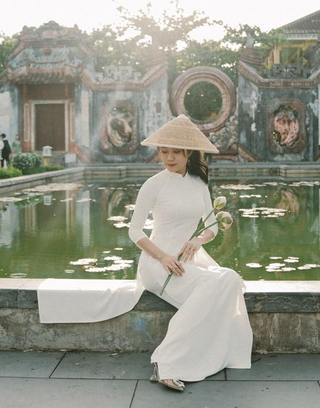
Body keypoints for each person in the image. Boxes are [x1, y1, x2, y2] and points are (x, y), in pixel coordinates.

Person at [37, 115, 252, 392]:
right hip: (156, 264)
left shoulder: (199, 184)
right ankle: (166, 363)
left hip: (187, 262)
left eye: (175, 152)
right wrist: (163, 257)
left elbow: (211, 226)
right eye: (164, 151)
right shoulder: (154, 184)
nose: (169, 157)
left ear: (188, 153)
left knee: (231, 279)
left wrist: (197, 240)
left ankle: (218, 353)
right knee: (214, 286)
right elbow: (135, 231)